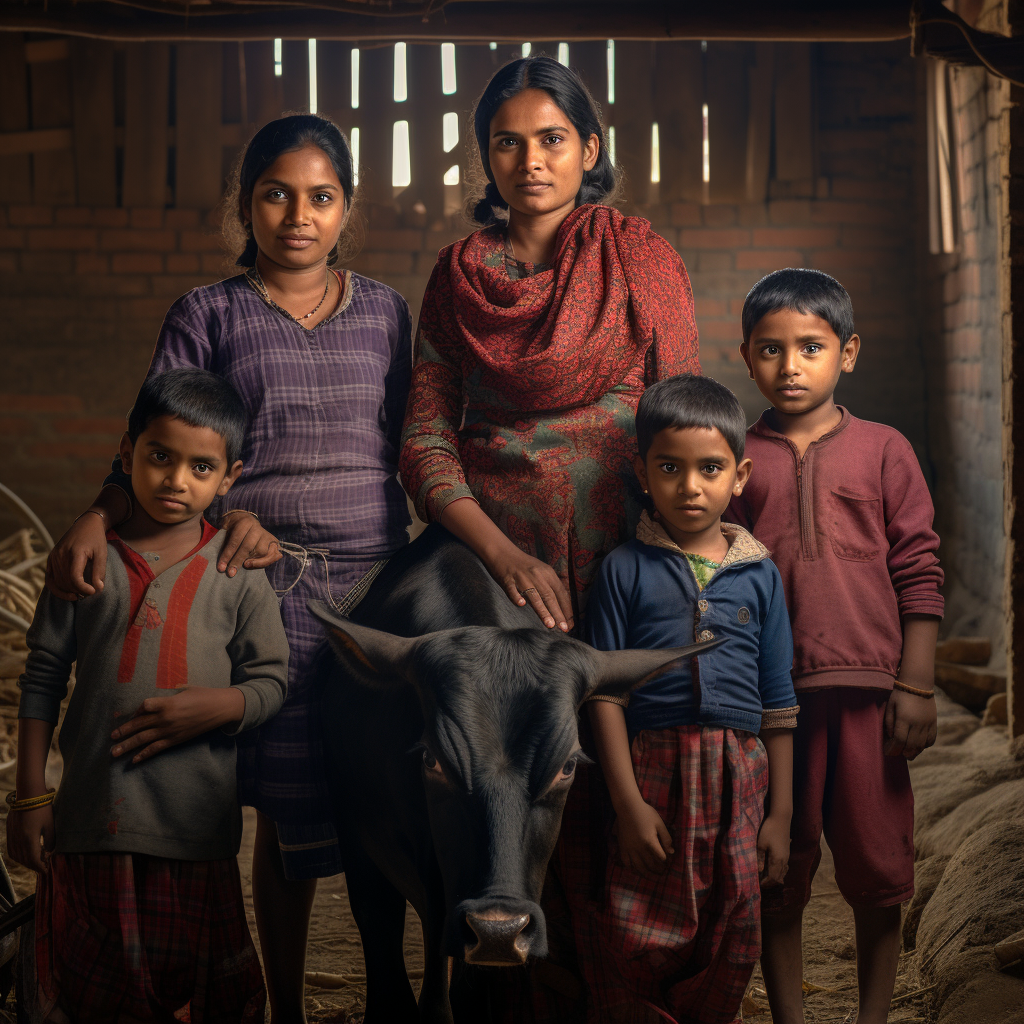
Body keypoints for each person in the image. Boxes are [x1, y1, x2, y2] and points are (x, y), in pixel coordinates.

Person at [42, 114, 412, 1021]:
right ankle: (280, 1007)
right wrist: (98, 514)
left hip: (379, 588)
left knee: (388, 793)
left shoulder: (388, 313)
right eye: (276, 194)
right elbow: (155, 435)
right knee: (284, 816)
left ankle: (392, 996)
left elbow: (412, 440)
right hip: (261, 581)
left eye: (321, 198)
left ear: (347, 211)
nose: (298, 215)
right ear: (245, 204)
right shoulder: (208, 312)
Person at [8, 368, 289, 1024]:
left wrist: (221, 706)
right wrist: (28, 796)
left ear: (230, 478)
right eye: (159, 457)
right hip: (87, 827)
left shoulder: (237, 574)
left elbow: (272, 682)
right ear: (127, 451)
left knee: (200, 998)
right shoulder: (84, 562)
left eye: (200, 467)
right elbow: (43, 678)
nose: (175, 480)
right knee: (91, 997)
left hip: (195, 835)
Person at [399, 54, 701, 633]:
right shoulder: (458, 276)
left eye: (552, 139)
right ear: (488, 156)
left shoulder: (639, 258)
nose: (530, 161)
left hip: (629, 557)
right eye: (508, 141)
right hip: (489, 564)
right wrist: (500, 556)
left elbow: (688, 423)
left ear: (589, 151)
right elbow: (425, 442)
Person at [728, 269, 943, 1024]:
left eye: (811, 347)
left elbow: (919, 567)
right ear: (747, 356)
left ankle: (873, 1017)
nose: (791, 365)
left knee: (879, 867)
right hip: (770, 705)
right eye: (772, 349)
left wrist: (915, 686)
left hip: (868, 698)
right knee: (776, 870)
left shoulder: (885, 451)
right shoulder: (735, 461)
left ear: (846, 353)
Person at [580, 374, 797, 1023]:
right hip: (651, 770)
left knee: (735, 923)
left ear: (740, 475)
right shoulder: (624, 569)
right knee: (638, 922)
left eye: (709, 469)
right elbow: (605, 694)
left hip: (741, 775)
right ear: (642, 473)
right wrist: (626, 804)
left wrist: (780, 814)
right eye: (670, 468)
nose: (690, 486)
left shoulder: (760, 574)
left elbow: (779, 702)